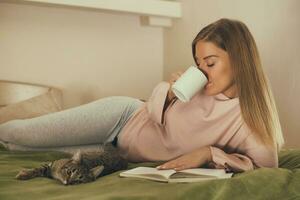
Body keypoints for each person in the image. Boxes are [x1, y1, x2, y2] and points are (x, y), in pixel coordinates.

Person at [0, 18, 284, 173]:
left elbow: (267, 167)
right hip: (122, 118)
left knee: (19, 150)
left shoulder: (249, 118)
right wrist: (170, 93)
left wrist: (210, 153)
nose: (202, 71)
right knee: (22, 134)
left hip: (118, 154)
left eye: (210, 63)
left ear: (240, 59)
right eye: (199, 64)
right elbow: (152, 112)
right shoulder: (199, 87)